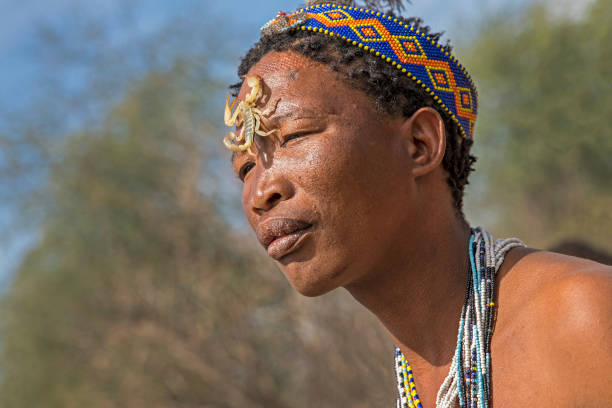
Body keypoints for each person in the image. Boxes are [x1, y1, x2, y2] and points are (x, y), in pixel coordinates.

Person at [223, 1, 612, 406]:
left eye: (296, 135)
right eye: (245, 167)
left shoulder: (583, 318)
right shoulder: (420, 381)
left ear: (419, 144)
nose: (260, 192)